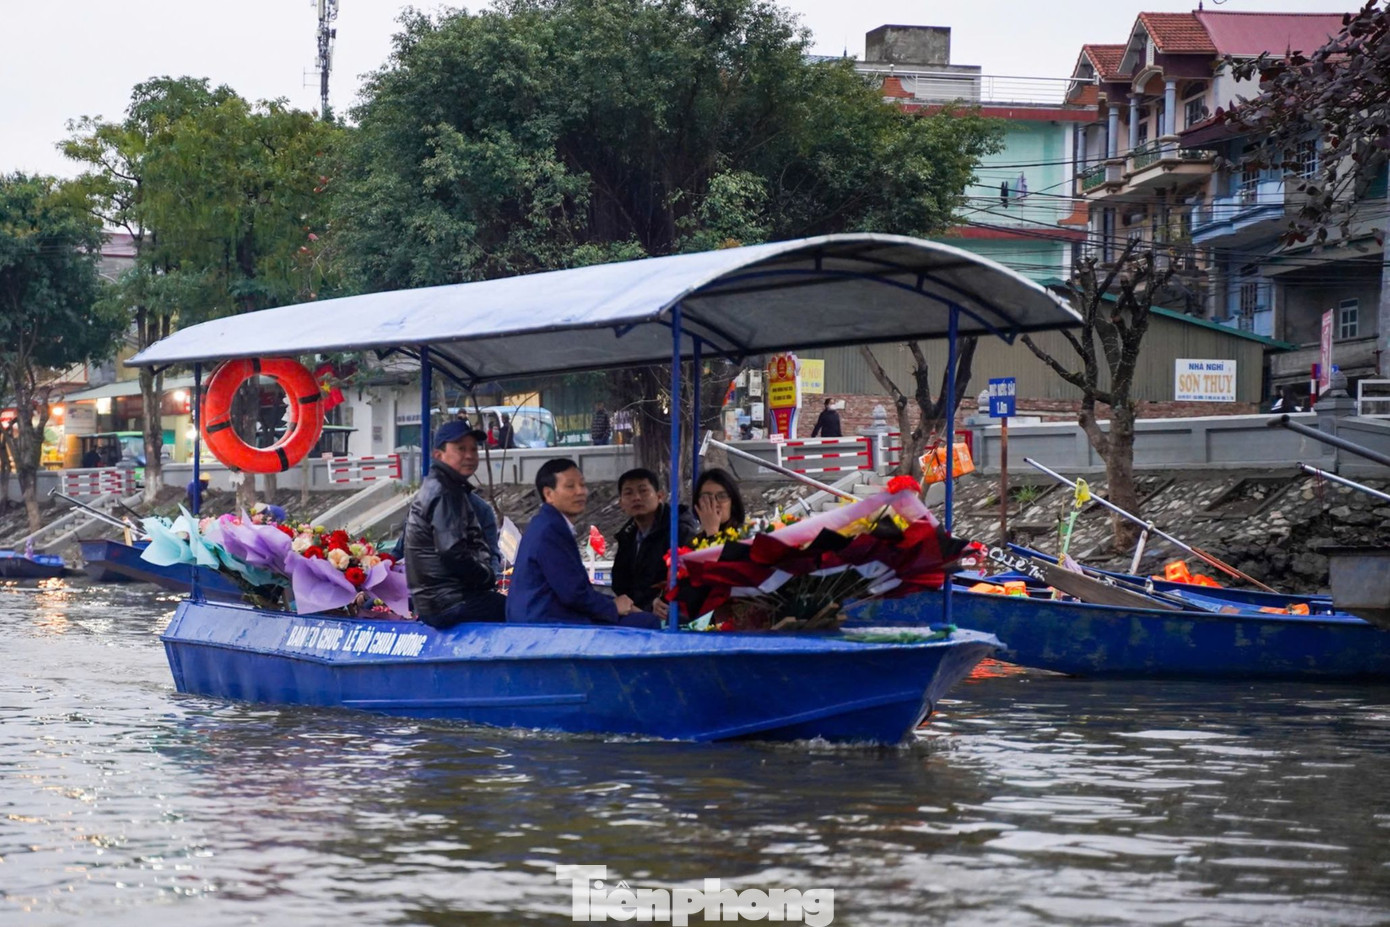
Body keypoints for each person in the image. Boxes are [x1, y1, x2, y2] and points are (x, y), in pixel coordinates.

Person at [506, 458, 661, 628]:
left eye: (582, 484)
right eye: (570, 486)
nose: (581, 492)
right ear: (549, 494)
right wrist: (613, 606)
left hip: (543, 617)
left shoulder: (546, 523)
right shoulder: (551, 529)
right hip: (546, 622)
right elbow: (573, 593)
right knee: (648, 623)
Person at [403, 420, 505, 627]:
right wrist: (486, 577)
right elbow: (452, 552)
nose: (469, 455)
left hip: (437, 601)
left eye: (473, 449)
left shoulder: (441, 486)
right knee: (522, 611)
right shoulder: (445, 491)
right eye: (460, 449)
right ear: (438, 455)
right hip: (450, 602)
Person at [611, 467, 700, 618]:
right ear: (621, 503)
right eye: (628, 493)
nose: (636, 498)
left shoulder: (679, 531)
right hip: (636, 615)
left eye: (643, 491)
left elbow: (687, 580)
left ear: (660, 496)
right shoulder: (626, 536)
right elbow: (620, 584)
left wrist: (655, 603)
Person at [692, 468, 746, 543]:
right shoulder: (693, 543)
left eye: (722, 496)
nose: (715, 503)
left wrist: (712, 532)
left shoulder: (746, 536)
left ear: (733, 503)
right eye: (707, 497)